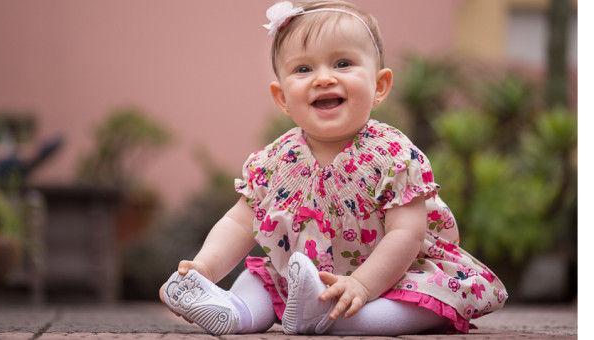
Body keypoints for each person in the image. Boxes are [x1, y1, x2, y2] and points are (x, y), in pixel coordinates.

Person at [159, 0, 508, 336]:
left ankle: (329, 318)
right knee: (261, 278)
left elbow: (407, 235)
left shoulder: (393, 155)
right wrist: (204, 268)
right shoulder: (275, 160)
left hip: (392, 276)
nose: (323, 78)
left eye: (342, 63)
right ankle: (235, 312)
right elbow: (239, 222)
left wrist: (361, 284)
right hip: (303, 281)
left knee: (424, 302)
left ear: (380, 86)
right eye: (303, 69)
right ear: (282, 98)